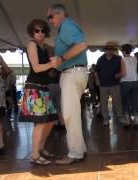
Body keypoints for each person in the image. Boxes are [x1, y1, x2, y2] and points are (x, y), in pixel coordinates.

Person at [47, 3, 88, 164]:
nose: (49, 20)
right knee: (73, 113)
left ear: (60, 14)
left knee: (69, 114)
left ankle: (75, 153)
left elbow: (82, 45)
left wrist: (61, 59)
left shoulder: (66, 25)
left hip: (72, 72)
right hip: (74, 72)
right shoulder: (67, 26)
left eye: (50, 16)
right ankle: (80, 149)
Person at [19, 19, 59, 165]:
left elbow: (46, 70)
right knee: (41, 123)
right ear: (32, 32)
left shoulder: (43, 48)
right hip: (34, 87)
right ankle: (34, 156)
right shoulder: (32, 44)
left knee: (50, 121)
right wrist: (51, 64)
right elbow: (36, 68)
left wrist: (53, 69)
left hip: (43, 87)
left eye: (42, 30)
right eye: (37, 30)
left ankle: (40, 148)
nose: (40, 33)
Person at [95, 42, 125, 126]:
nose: (109, 50)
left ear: (113, 50)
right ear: (105, 50)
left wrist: (119, 75)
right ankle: (105, 118)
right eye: (107, 49)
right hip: (103, 84)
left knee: (117, 101)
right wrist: (97, 79)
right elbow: (96, 71)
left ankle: (120, 117)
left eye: (110, 49)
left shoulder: (119, 58)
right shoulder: (100, 59)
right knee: (103, 102)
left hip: (115, 83)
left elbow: (123, 70)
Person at [120, 44, 138, 127]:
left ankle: (127, 120)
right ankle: (136, 119)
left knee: (125, 102)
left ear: (123, 51)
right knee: (134, 101)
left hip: (126, 82)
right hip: (136, 81)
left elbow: (123, 73)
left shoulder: (123, 60)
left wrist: (117, 75)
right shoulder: (135, 58)